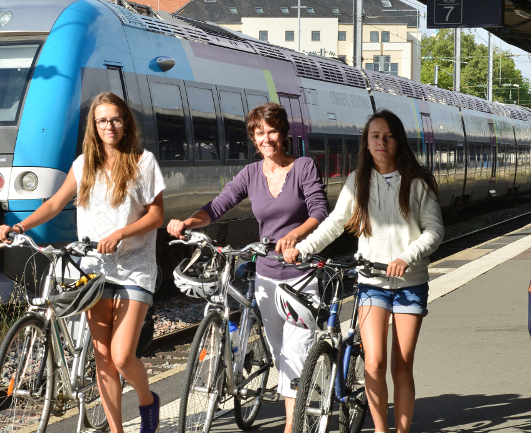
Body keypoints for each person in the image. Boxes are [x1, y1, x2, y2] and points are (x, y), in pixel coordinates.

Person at [0, 92, 165, 433]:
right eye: (102, 120)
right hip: (93, 269)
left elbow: (157, 215)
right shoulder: (83, 163)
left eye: (115, 119)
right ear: (94, 125)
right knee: (102, 359)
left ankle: (147, 400)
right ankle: (117, 430)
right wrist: (19, 226)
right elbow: (55, 203)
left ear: (126, 122)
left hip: (134, 267)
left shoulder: (144, 162)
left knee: (121, 356)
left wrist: (122, 233)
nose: (109, 126)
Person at [166, 102, 328, 433]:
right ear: (253, 138)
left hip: (301, 277)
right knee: (281, 354)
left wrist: (294, 236)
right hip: (267, 276)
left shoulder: (304, 167)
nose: (266, 138)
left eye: (271, 131)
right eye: (259, 133)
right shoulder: (250, 174)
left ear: (283, 134)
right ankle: (295, 414)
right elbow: (217, 206)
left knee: (296, 356)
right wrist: (188, 222)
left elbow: (319, 211)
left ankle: (291, 426)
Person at [284, 110, 444, 433]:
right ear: (366, 144)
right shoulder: (358, 181)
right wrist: (303, 248)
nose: (381, 142)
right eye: (375, 137)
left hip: (409, 283)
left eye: (388, 136)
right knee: (373, 362)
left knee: (401, 365)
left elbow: (434, 231)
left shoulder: (417, 182)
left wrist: (407, 256)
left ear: (398, 141)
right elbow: (334, 223)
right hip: (371, 282)